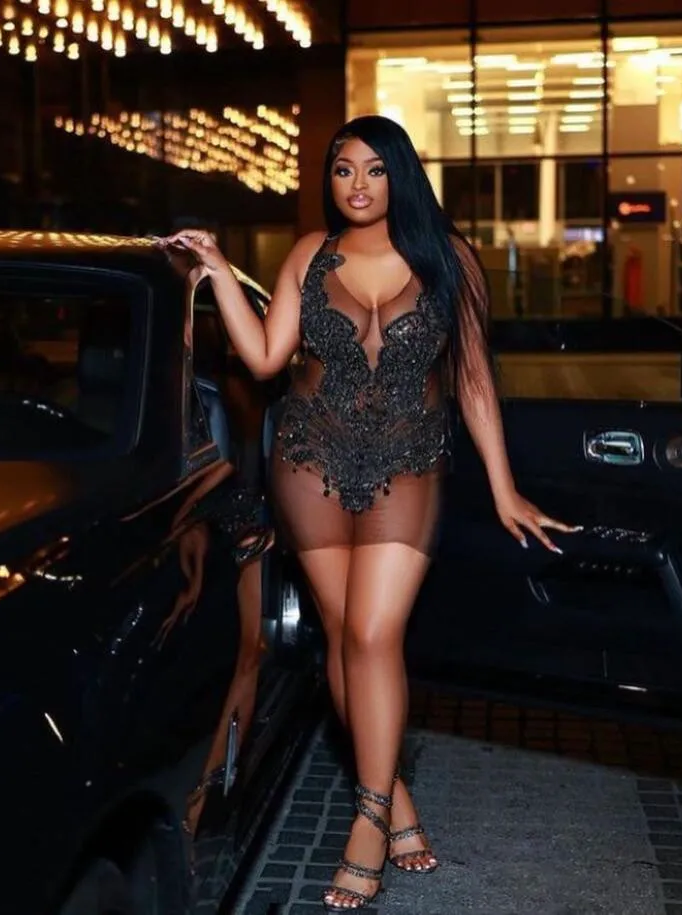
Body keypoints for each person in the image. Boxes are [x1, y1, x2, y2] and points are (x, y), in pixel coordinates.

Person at [156, 114, 577, 912]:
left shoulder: (449, 259)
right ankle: (399, 804)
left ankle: (369, 818)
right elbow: (265, 358)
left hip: (410, 463)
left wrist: (504, 485)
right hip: (309, 461)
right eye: (343, 169)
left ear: (400, 176)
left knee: (375, 634)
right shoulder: (310, 254)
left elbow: (473, 378)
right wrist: (216, 269)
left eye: (374, 170)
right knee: (346, 635)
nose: (357, 184)